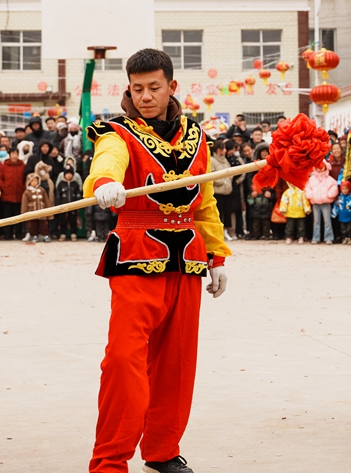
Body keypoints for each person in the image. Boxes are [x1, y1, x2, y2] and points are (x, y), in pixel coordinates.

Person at [84, 48, 229, 473]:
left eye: (153, 87)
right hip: (135, 253)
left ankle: (162, 449)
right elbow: (106, 162)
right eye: (137, 88)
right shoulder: (116, 132)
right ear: (128, 88)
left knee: (177, 363)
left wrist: (217, 255)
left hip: (187, 258)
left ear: (171, 87)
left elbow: (204, 203)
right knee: (123, 361)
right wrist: (106, 182)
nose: (145, 96)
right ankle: (110, 459)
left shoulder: (197, 137)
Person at [305, 162, 338, 244]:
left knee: (327, 221)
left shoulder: (329, 179)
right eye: (318, 166)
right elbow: (307, 188)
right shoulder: (311, 179)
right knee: (316, 222)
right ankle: (316, 237)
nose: (320, 168)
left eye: (322, 166)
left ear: (325, 167)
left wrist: (329, 195)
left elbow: (334, 187)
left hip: (326, 203)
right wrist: (311, 195)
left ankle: (329, 237)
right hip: (315, 203)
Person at [210, 139, 234, 241]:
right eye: (222, 148)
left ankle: (226, 232)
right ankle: (218, 232)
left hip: (227, 191)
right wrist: (224, 181)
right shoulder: (212, 160)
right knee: (218, 213)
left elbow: (230, 173)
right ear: (216, 149)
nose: (224, 150)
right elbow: (212, 176)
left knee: (227, 213)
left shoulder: (225, 160)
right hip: (217, 192)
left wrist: (228, 179)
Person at [21, 172, 51, 243]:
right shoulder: (27, 192)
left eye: (36, 181)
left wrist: (50, 211)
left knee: (43, 224)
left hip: (42, 211)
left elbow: (46, 200)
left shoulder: (42, 190)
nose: (34, 183)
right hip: (32, 211)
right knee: (32, 225)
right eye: (32, 181)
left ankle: (45, 235)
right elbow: (24, 204)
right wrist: (24, 213)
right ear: (29, 182)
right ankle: (34, 235)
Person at [54, 168, 83, 240]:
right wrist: (58, 204)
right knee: (62, 221)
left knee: (73, 220)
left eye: (70, 174)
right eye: (67, 174)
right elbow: (58, 195)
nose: (69, 175)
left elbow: (78, 195)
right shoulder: (61, 184)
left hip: (73, 206)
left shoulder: (75, 184)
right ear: (64, 175)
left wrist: (77, 204)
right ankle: (63, 234)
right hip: (63, 206)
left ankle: (73, 234)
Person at [331, 180, 351, 244]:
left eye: (346, 189)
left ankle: (350, 238)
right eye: (343, 189)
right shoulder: (339, 198)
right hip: (341, 216)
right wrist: (334, 214)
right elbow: (336, 206)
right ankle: (344, 238)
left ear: (349, 189)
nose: (344, 190)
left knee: (349, 229)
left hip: (350, 216)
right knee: (343, 229)